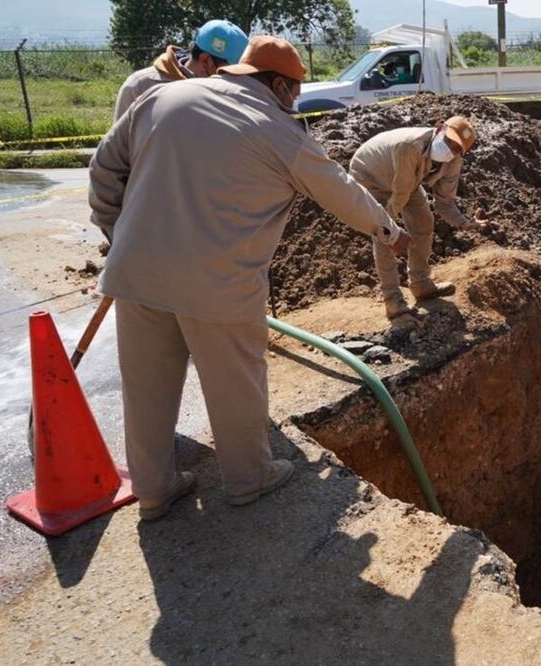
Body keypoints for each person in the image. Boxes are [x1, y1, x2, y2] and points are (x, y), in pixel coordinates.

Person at [89, 36, 411, 520]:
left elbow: (104, 168)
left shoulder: (163, 96)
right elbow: (340, 191)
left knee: (146, 389)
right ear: (279, 85)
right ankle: (248, 478)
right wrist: (387, 229)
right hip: (219, 285)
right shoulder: (279, 132)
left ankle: (153, 491)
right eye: (295, 93)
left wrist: (121, 236)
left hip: (135, 275)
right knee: (235, 383)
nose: (295, 103)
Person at [348, 117, 487, 319]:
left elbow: (444, 203)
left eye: (457, 148)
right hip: (371, 176)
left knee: (424, 222)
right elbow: (400, 195)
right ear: (440, 128)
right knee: (383, 233)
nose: (450, 149)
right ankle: (393, 300)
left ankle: (421, 285)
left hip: (405, 181)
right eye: (449, 141)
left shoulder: (452, 161)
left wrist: (464, 223)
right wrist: (390, 229)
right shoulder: (410, 146)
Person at [113, 19, 248, 120]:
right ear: (205, 60)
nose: (233, 77)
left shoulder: (233, 93)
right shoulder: (140, 86)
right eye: (228, 69)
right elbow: (119, 149)